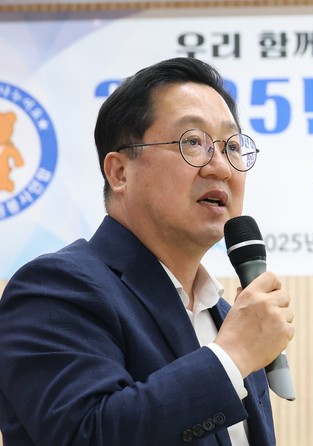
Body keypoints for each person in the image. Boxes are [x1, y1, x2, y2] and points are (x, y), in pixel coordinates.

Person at [0, 58, 294, 445]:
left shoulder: (228, 318)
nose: (221, 167)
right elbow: (86, 434)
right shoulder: (54, 289)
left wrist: (234, 350)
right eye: (193, 142)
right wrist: (231, 357)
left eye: (232, 147)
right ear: (119, 172)